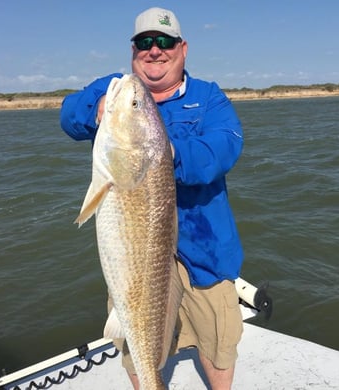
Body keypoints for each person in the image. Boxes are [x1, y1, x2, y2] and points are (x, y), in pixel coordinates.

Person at [60, 7, 244, 390]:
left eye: (165, 41)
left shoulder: (209, 97)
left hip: (205, 250)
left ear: (183, 48)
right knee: (137, 338)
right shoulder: (117, 87)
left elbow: (224, 148)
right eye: (145, 42)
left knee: (217, 341)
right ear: (133, 49)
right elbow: (68, 114)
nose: (154, 50)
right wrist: (94, 112)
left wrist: (167, 154)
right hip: (136, 257)